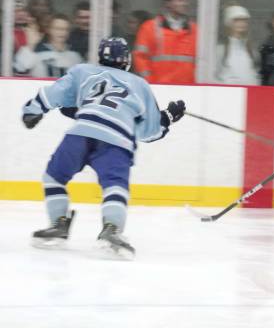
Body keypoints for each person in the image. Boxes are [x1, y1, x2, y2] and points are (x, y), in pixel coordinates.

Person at [22, 37, 186, 259]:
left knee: (54, 177)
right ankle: (111, 228)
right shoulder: (140, 85)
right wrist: (168, 117)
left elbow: (55, 93)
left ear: (100, 58)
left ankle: (58, 224)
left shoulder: (83, 71)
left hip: (82, 131)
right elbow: (150, 131)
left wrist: (33, 110)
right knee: (115, 186)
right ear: (127, 60)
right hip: (117, 139)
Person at [134, 0, 197, 84]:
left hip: (187, 88)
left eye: (185, 1)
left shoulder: (194, 29)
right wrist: (150, 82)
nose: (184, 4)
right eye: (180, 1)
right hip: (159, 87)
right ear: (168, 4)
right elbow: (140, 57)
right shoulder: (149, 27)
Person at [14, 13, 82, 77]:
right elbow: (19, 72)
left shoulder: (75, 54)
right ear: (49, 29)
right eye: (57, 29)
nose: (62, 32)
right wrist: (31, 45)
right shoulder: (36, 51)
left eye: (66, 29)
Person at [215, 5, 259, 85]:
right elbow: (213, 77)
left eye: (244, 20)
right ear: (229, 23)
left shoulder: (251, 51)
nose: (241, 23)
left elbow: (256, 75)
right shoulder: (220, 50)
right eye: (237, 20)